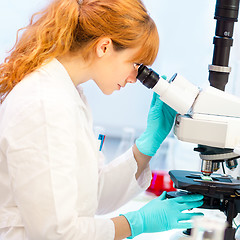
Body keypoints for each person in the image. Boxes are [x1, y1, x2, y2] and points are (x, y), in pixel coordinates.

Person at [0, 0, 204, 239]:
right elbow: (56, 234)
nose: (134, 78)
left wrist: (149, 143)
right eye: (135, 64)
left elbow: (89, 194)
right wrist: (136, 222)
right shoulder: (44, 104)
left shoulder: (67, 95)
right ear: (104, 47)